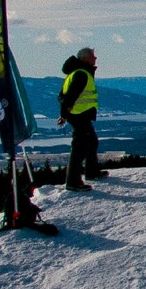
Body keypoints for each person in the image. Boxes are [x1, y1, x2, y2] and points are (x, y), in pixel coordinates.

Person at [57, 47, 104, 191]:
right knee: (80, 146)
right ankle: (73, 182)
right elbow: (70, 96)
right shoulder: (81, 74)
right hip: (78, 114)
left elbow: (62, 95)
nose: (95, 59)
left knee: (91, 141)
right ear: (85, 58)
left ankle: (92, 171)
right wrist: (64, 115)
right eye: (92, 56)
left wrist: (65, 114)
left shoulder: (79, 72)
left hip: (80, 114)